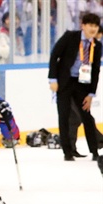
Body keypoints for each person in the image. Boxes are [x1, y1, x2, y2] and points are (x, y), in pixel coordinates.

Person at [48, 12, 102, 161]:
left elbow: (96, 70)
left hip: (82, 84)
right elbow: (54, 55)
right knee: (64, 116)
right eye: (90, 25)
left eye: (96, 26)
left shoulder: (96, 46)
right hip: (65, 82)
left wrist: (91, 93)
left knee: (87, 117)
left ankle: (95, 151)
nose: (93, 29)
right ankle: (68, 151)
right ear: (83, 25)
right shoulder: (70, 37)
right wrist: (52, 78)